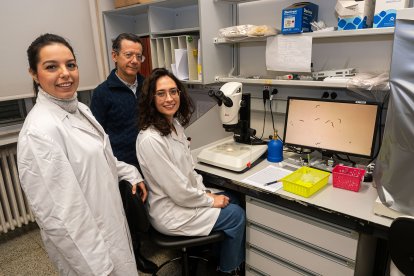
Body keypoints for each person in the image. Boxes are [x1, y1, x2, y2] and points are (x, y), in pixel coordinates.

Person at [17, 33, 147, 276]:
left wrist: (130, 172)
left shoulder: (81, 109)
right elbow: (62, 218)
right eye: (51, 67)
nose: (65, 73)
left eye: (71, 65)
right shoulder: (39, 133)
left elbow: (99, 158)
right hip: (91, 257)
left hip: (110, 225)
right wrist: (99, 269)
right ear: (34, 74)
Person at [136, 68, 246, 275]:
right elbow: (178, 191)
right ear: (150, 99)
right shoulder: (151, 139)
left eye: (173, 91)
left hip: (184, 199)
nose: (169, 98)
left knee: (234, 198)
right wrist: (209, 200)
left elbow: (188, 169)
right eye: (161, 93)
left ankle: (217, 256)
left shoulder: (174, 125)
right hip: (172, 211)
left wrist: (206, 192)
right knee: (237, 215)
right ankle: (228, 270)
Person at [90, 33, 158, 273]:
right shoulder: (102, 93)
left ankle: (161, 234)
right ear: (115, 56)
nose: (134, 60)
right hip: (122, 163)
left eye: (138, 56)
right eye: (128, 55)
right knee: (130, 211)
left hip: (150, 157)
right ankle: (135, 252)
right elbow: (97, 137)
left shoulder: (148, 86)